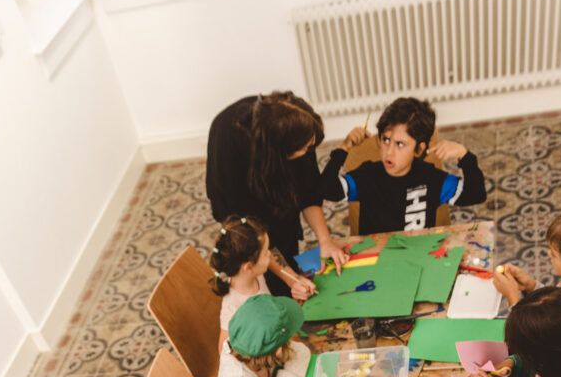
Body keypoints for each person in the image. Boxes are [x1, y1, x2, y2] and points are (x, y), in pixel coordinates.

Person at [206, 91, 349, 292]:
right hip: (246, 222)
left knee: (289, 249)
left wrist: (325, 240)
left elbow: (308, 191)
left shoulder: (296, 126)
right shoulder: (230, 150)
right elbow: (250, 232)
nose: (311, 149)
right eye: (305, 148)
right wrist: (290, 278)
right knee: (272, 284)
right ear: (279, 155)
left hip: (276, 206)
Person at [319, 96, 486, 234]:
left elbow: (476, 193)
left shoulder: (431, 179)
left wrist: (464, 155)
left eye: (400, 144)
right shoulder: (366, 176)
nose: (389, 152)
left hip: (416, 263)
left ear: (419, 149)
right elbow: (326, 189)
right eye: (385, 140)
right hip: (375, 263)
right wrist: (343, 148)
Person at [211, 216, 316, 351]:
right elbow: (223, 351)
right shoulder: (234, 308)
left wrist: (294, 279)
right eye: (265, 252)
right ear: (249, 267)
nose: (270, 254)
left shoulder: (253, 273)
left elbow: (271, 259)